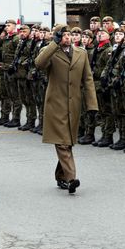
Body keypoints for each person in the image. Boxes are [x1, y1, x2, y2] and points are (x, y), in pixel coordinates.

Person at [35, 24, 98, 194]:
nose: (67, 37)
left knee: (68, 141)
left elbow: (88, 80)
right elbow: (39, 63)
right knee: (62, 142)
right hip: (55, 104)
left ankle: (60, 175)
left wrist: (92, 104)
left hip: (74, 105)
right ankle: (71, 178)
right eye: (63, 35)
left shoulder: (81, 53)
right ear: (57, 37)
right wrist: (53, 44)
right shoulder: (51, 52)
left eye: (69, 34)